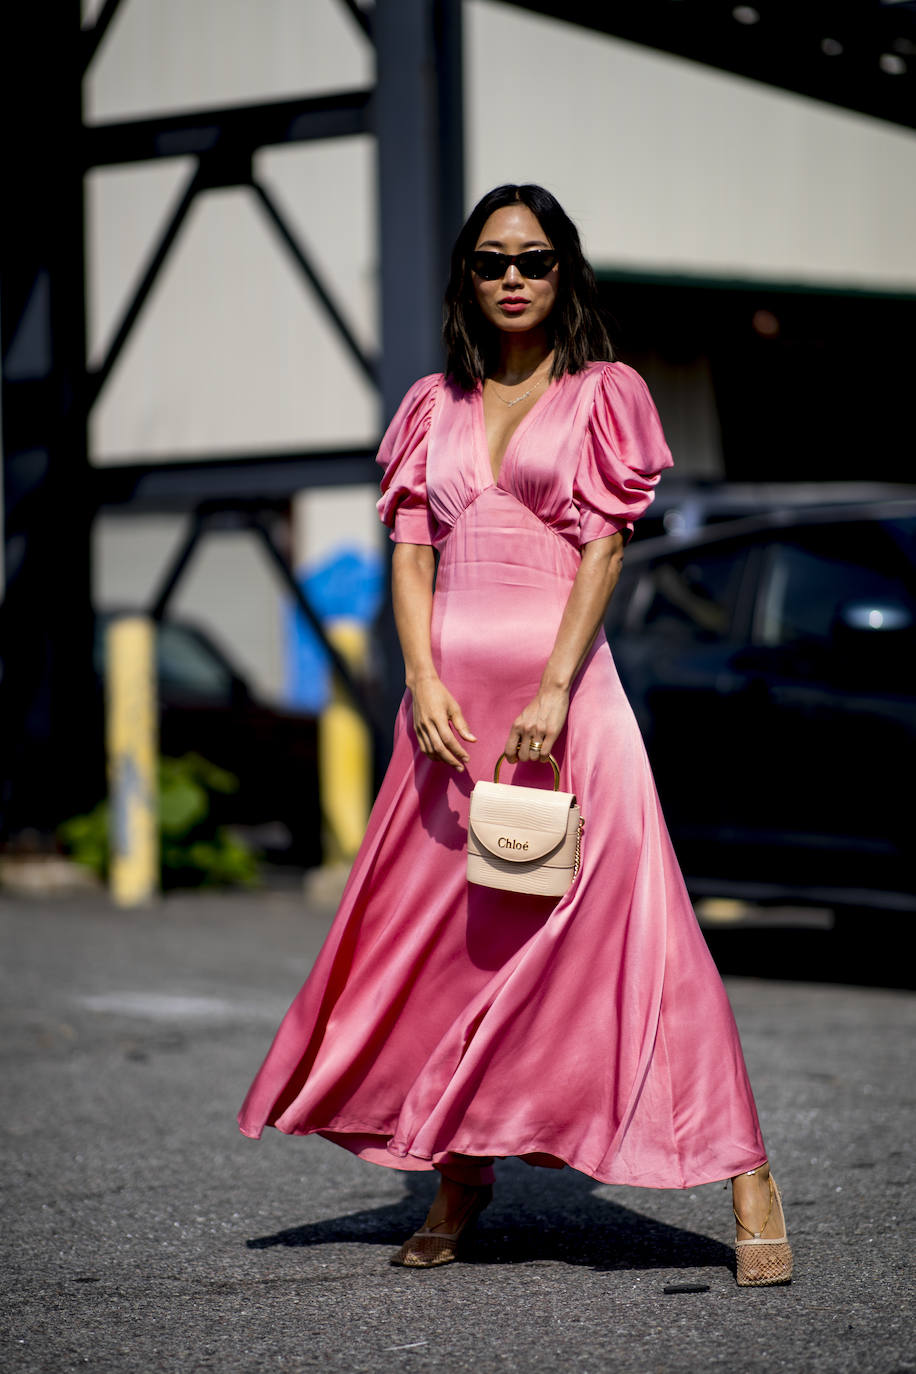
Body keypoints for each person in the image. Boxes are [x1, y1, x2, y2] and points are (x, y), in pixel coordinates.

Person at [239, 184, 792, 1287]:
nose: (512, 278)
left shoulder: (603, 394)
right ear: (466, 276)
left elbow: (603, 549)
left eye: (533, 260)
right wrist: (420, 678)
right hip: (446, 715)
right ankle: (458, 1173)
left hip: (567, 698)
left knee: (643, 934)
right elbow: (407, 554)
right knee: (446, 946)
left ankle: (745, 1173)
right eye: (492, 260)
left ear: (562, 272)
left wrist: (551, 685)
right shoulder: (428, 407)